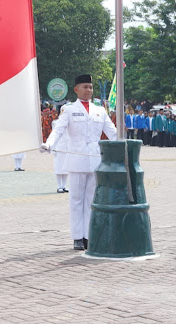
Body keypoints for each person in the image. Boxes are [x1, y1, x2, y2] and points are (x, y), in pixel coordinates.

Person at [41, 74, 117, 251]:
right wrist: (49, 144)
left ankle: (88, 236)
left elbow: (113, 132)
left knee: (91, 200)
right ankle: (77, 237)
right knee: (76, 200)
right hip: (76, 159)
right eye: (85, 87)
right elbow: (58, 130)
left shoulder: (100, 110)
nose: (88, 90)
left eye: (90, 87)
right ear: (76, 89)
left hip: (95, 160)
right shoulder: (69, 110)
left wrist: (125, 143)